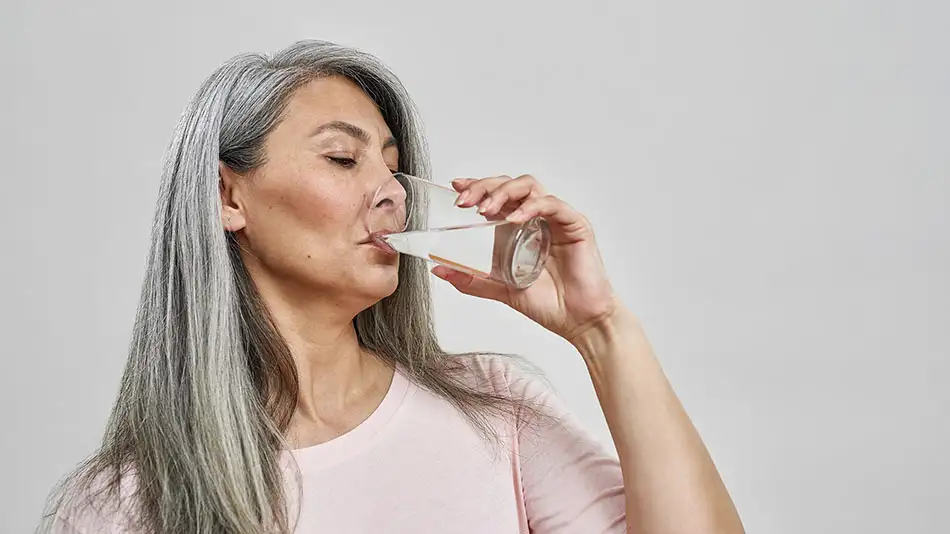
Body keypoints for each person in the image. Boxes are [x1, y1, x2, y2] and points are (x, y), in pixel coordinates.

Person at [40, 40, 744, 533]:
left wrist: (601, 330)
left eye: (392, 166)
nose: (391, 195)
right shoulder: (125, 504)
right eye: (343, 158)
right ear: (228, 196)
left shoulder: (495, 411)